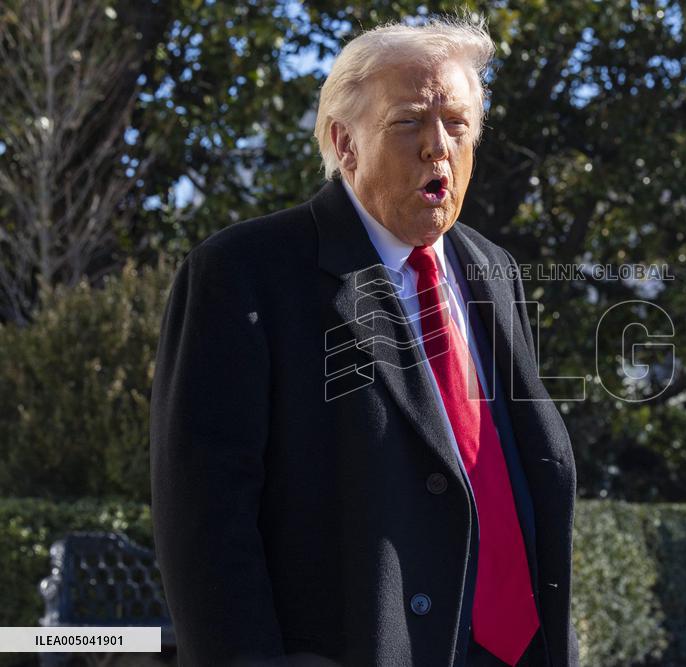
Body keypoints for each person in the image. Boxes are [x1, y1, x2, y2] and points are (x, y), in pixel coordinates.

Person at [150, 18, 579, 667]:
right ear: (344, 142)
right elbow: (206, 522)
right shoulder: (244, 271)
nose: (439, 147)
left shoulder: (495, 268)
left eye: (458, 124)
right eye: (409, 122)